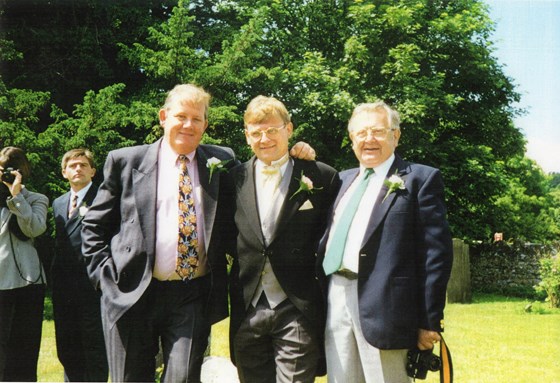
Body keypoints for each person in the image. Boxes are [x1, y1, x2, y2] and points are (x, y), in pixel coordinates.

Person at [81, 84, 315, 383]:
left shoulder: (221, 161)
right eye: (181, 116)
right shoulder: (126, 161)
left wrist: (298, 153)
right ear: (164, 117)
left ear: (205, 124)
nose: (188, 125)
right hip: (131, 291)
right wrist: (105, 278)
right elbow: (94, 226)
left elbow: (264, 162)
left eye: (197, 119)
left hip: (191, 295)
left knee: (183, 377)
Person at [318, 101, 453, 383]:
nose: (369, 139)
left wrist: (430, 321)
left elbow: (435, 256)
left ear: (396, 135)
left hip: (389, 310)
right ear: (352, 138)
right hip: (336, 298)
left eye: (378, 131)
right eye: (361, 132)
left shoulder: (420, 179)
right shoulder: (341, 181)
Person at [228, 95, 339, 383]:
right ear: (247, 135)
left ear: (289, 129)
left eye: (272, 130)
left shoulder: (321, 176)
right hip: (248, 307)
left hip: (296, 307)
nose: (264, 138)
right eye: (256, 132)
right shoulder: (232, 179)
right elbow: (225, 238)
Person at [51, 148, 108, 381]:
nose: (78, 169)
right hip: (64, 287)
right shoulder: (58, 203)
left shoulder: (104, 197)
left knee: (94, 346)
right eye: (72, 166)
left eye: (83, 165)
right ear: (64, 172)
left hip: (93, 285)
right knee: (67, 345)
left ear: (93, 171)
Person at [0, 146, 49, 382]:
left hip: (28, 284)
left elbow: (35, 228)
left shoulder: (36, 198)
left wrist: (17, 197)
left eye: (9, 170)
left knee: (24, 351)